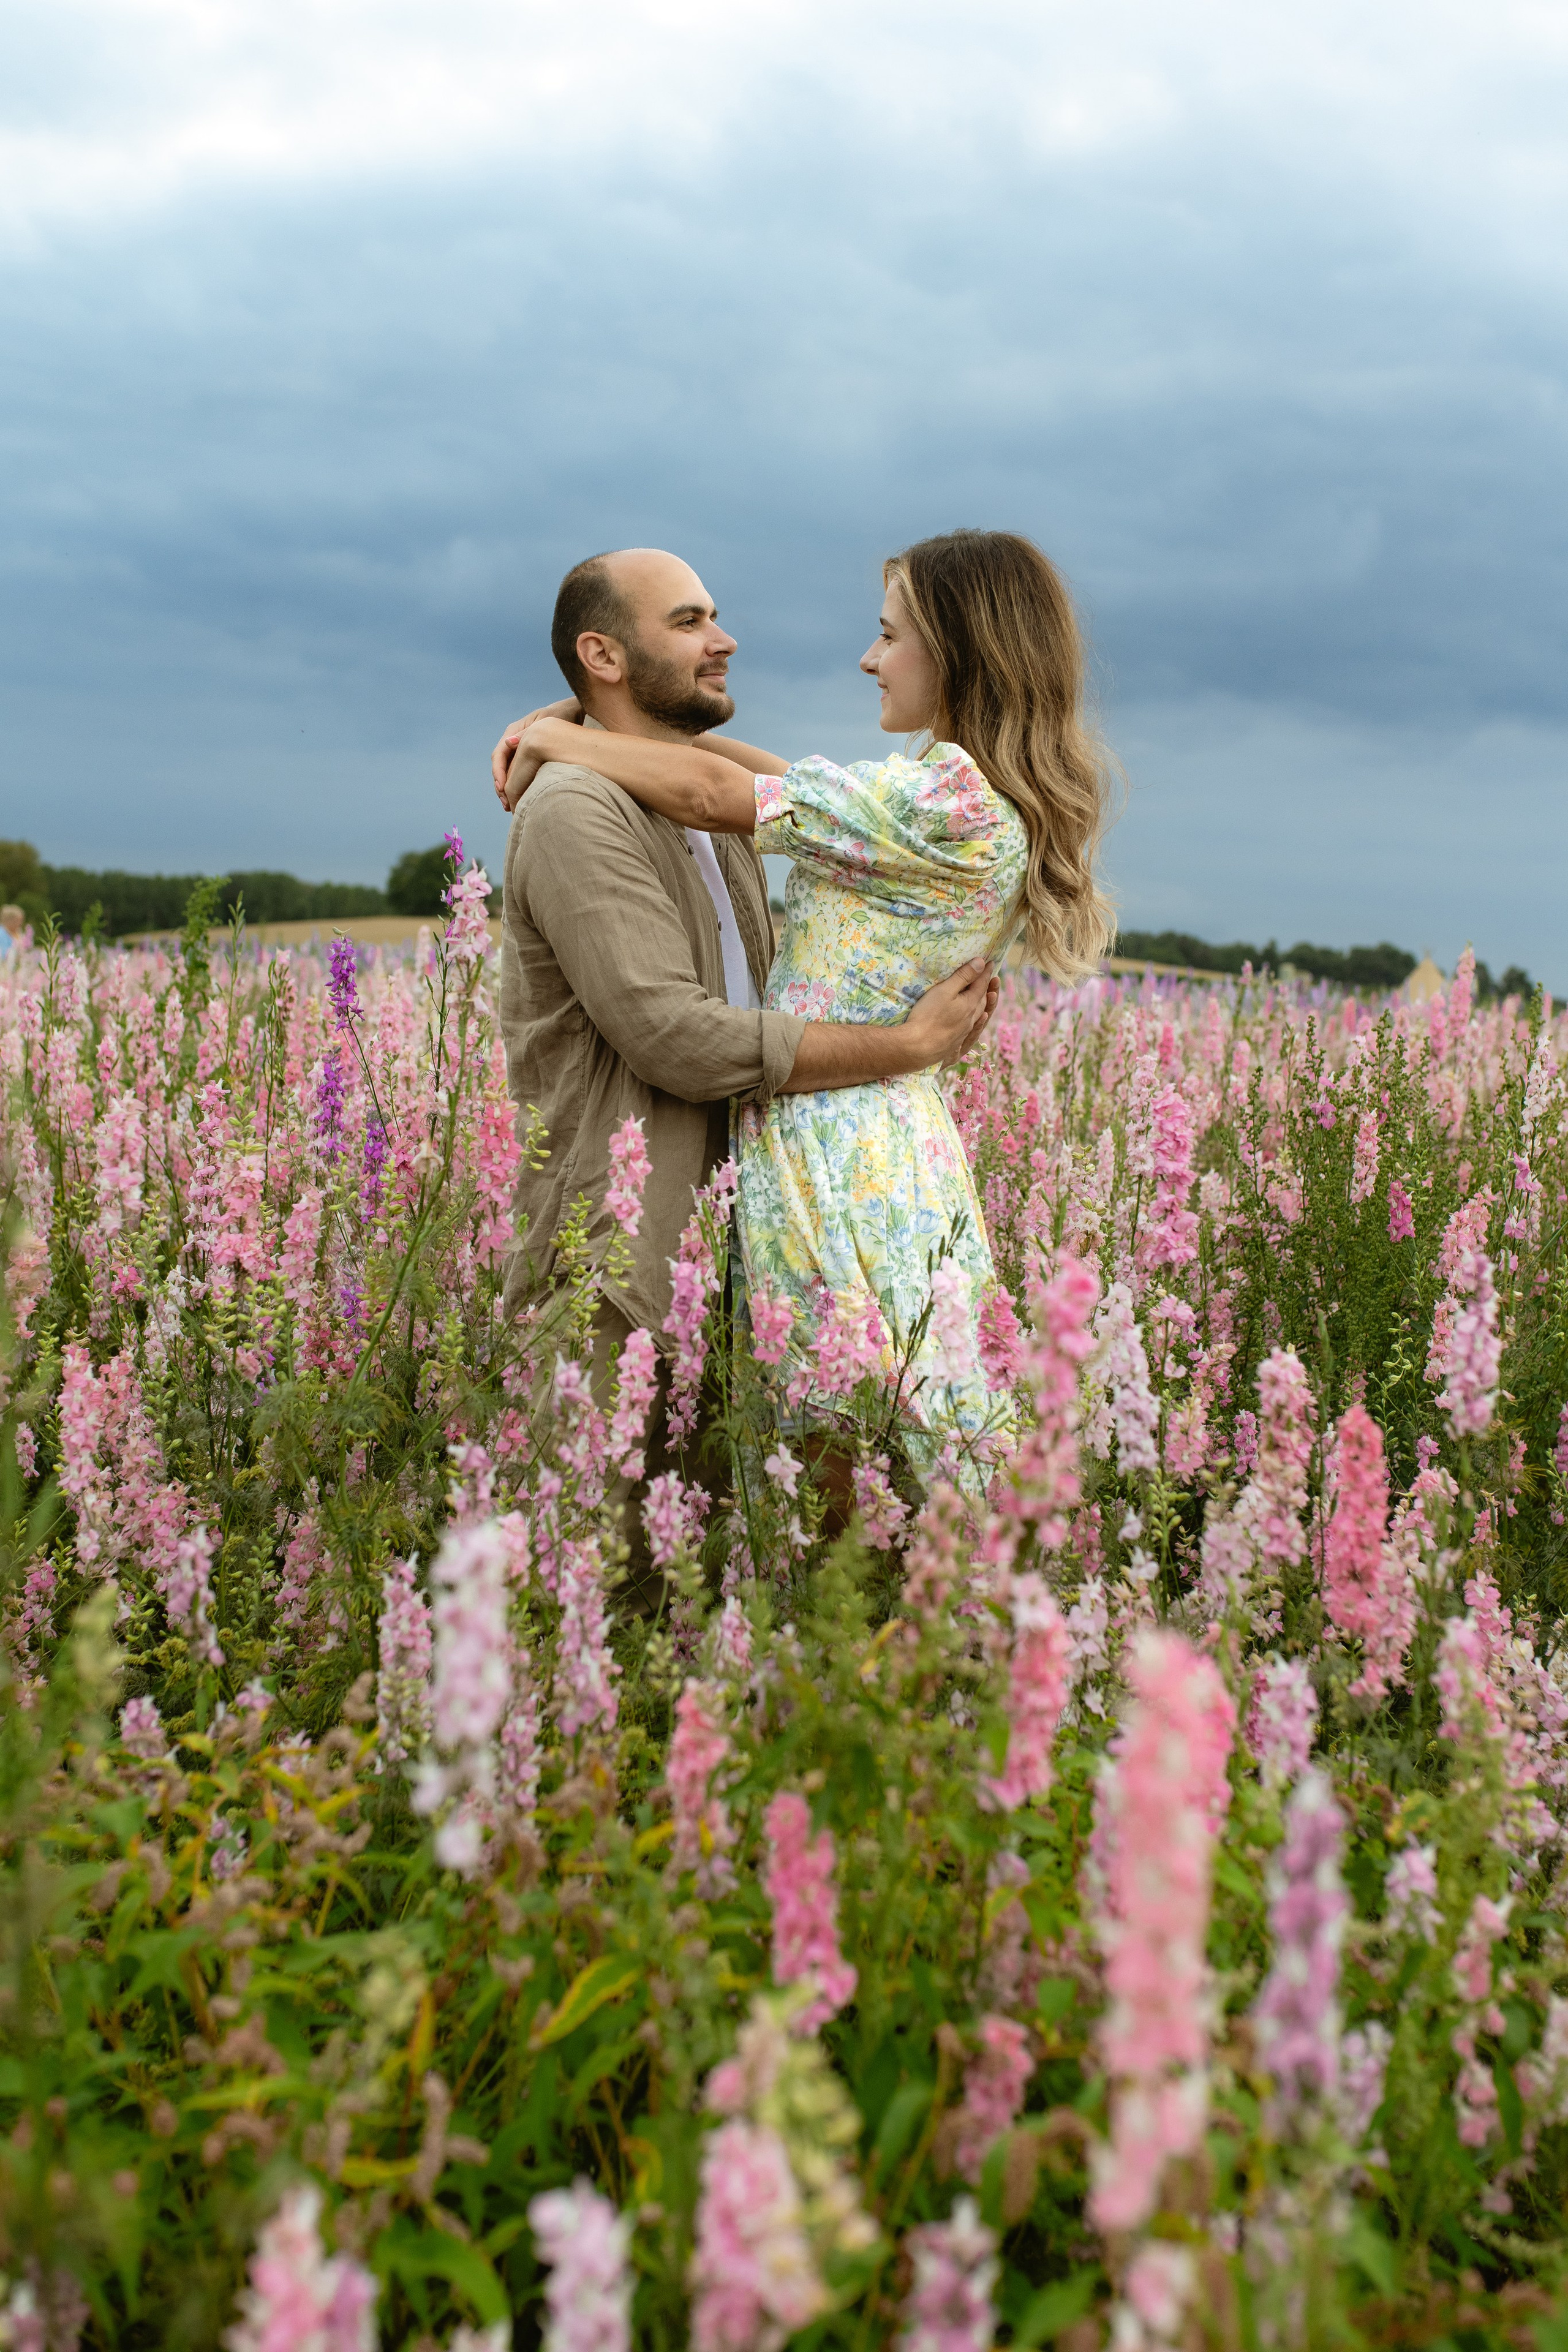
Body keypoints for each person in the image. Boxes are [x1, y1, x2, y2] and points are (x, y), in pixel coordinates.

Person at [500, 529, 1114, 1490]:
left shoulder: (947, 804)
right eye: (691, 620)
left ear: (956, 651)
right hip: (853, 1140)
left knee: (858, 1475)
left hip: (843, 1158)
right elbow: (772, 782)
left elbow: (717, 791)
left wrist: (558, 734)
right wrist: (579, 720)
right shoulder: (934, 799)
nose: (870, 658)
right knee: (864, 1467)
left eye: (888, 636)